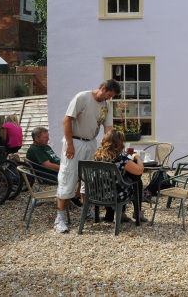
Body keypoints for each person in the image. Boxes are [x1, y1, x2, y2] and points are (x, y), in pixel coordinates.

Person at [54, 79, 121, 234]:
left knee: (89, 178)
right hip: (75, 142)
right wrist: (69, 144)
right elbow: (66, 120)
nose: (109, 99)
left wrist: (111, 147)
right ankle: (59, 218)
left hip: (91, 142)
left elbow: (108, 128)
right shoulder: (82, 97)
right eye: (109, 95)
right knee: (68, 176)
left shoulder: (106, 106)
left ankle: (86, 211)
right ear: (103, 89)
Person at [93, 129, 145, 223]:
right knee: (136, 180)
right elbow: (139, 170)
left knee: (122, 179)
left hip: (97, 194)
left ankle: (113, 215)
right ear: (119, 143)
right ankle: (137, 212)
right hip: (116, 196)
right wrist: (138, 158)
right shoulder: (120, 158)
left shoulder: (97, 156)